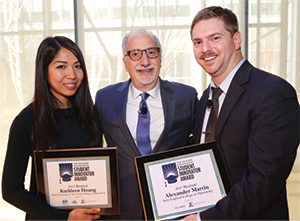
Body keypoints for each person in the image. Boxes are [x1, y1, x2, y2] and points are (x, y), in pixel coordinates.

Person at [183, 6, 299, 220]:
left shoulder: (273, 92)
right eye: (197, 42)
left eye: (215, 38)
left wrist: (204, 218)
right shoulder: (204, 99)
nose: (205, 49)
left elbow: (264, 179)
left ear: (236, 39)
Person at [95, 29, 198, 220]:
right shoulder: (105, 98)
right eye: (135, 54)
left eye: (151, 52)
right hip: (123, 210)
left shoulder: (187, 96)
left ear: (160, 58)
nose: (145, 61)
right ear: (125, 62)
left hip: (175, 206)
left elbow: (199, 147)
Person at [2, 36, 103, 220]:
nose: (72, 74)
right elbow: (10, 190)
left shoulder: (92, 115)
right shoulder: (26, 121)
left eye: (78, 66)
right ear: (44, 70)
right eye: (61, 66)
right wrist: (64, 218)